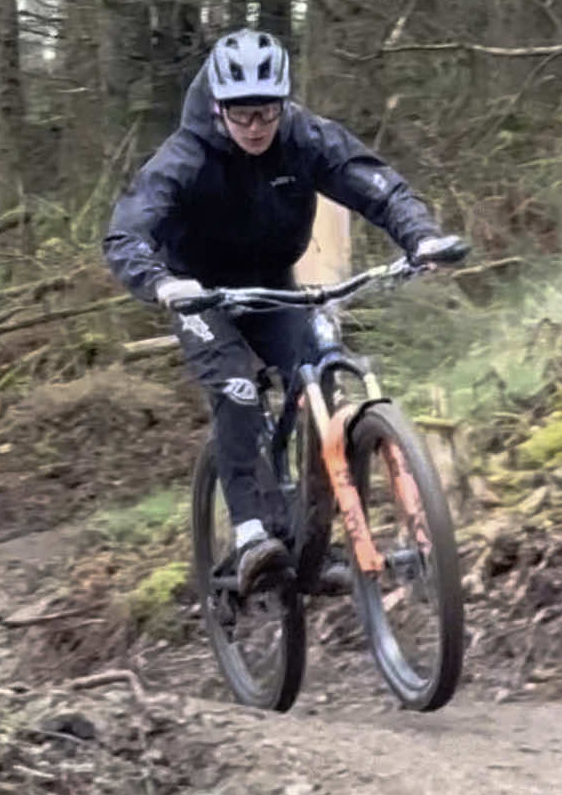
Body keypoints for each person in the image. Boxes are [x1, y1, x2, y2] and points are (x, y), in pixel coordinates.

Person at [104, 29, 465, 596]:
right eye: (241, 114)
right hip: (200, 293)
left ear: (283, 103)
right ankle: (250, 531)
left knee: (321, 365)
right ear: (218, 107)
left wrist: (421, 238)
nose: (255, 127)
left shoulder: (304, 137)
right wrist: (162, 284)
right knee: (237, 389)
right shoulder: (184, 157)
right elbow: (127, 232)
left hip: (273, 284)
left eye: (266, 113)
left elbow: (376, 186)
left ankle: (320, 525)